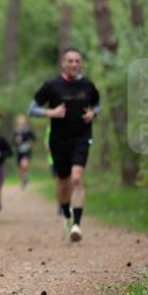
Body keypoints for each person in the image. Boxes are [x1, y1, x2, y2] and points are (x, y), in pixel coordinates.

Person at [29, 47, 100, 242]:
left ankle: (77, 225)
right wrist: (50, 113)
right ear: (63, 64)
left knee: (76, 178)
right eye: (70, 61)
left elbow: (97, 104)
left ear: (81, 64)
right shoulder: (52, 86)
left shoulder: (88, 85)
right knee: (63, 183)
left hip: (82, 138)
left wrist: (94, 113)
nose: (74, 64)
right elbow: (32, 109)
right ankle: (67, 216)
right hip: (59, 140)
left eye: (77, 61)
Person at [13, 115, 36, 190]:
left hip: (27, 151)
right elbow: (13, 142)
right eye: (20, 123)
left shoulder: (28, 131)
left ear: (25, 123)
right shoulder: (16, 132)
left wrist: (30, 143)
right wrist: (17, 140)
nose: (21, 124)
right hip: (19, 151)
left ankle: (25, 176)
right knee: (20, 168)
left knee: (24, 164)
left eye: (23, 123)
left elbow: (34, 139)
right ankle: (23, 180)